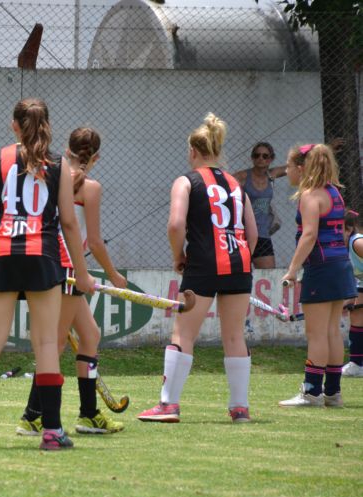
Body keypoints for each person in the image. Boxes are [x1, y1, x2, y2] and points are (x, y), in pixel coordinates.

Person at [0, 98, 94, 452]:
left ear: (14, 125)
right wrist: (83, 273)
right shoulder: (58, 164)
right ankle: (52, 431)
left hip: (1, 252)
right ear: (47, 125)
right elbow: (69, 222)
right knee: (45, 342)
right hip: (42, 257)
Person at [138, 113, 258, 424]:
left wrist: (178, 255)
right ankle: (240, 408)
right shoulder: (236, 185)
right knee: (234, 336)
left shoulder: (186, 181)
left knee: (184, 332)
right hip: (238, 264)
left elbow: (176, 224)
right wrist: (242, 258)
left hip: (203, 263)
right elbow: (253, 233)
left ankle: (168, 405)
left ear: (193, 151)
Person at [16, 127, 126, 436]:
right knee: (57, 342)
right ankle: (32, 415)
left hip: (54, 266)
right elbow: (96, 241)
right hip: (66, 269)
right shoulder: (90, 187)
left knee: (90, 335)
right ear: (96, 157)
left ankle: (88, 414)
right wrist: (114, 275)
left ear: (67, 149)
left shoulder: (51, 175)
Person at [278, 144, 357, 407]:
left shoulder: (310, 195)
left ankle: (311, 392)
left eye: (289, 167)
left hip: (321, 269)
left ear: (301, 169)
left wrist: (292, 270)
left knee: (316, 334)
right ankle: (332, 393)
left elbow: (309, 235)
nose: (286, 171)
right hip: (340, 266)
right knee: (333, 331)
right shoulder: (334, 192)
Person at [234, 142, 287, 269]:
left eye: (265, 156)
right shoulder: (242, 177)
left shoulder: (271, 175)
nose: (260, 159)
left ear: (271, 159)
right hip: (242, 235)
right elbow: (221, 185)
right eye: (257, 155)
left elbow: (296, 166)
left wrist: (327, 149)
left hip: (262, 235)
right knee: (238, 277)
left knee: (269, 275)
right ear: (252, 158)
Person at [342, 211, 363, 377]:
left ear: (349, 229)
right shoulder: (342, 246)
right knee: (356, 317)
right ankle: (357, 364)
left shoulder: (358, 243)